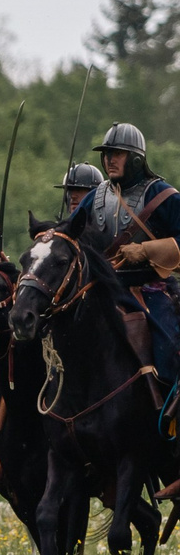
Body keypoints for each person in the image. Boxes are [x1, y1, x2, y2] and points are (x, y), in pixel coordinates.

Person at [67, 122, 180, 394]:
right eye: (106, 154)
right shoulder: (94, 198)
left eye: (117, 153)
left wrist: (145, 251)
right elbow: (69, 236)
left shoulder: (162, 195)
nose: (109, 159)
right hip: (103, 291)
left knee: (169, 352)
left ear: (136, 158)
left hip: (151, 290)